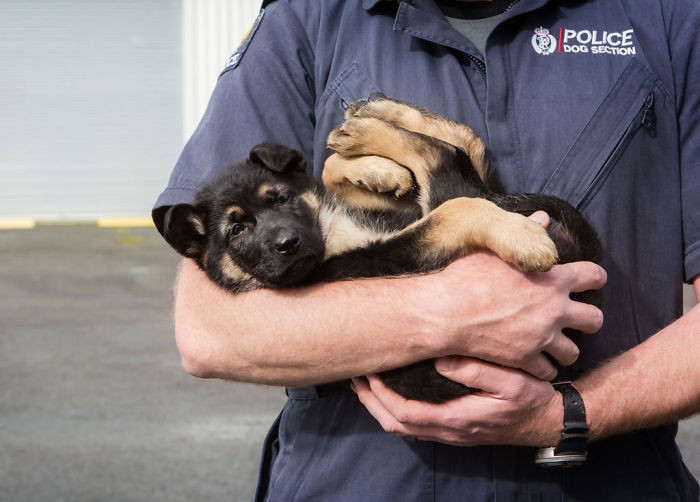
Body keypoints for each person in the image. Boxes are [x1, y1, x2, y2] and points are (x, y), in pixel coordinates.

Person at [153, 0, 700, 499]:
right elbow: (209, 332)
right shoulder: (308, 21)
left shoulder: (669, 20)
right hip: (358, 484)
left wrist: (572, 412)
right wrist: (450, 312)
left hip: (609, 478)